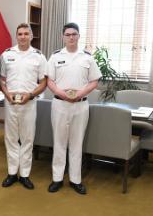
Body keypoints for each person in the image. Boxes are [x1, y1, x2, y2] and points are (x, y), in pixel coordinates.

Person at [47, 22, 102, 195]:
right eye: (68, 34)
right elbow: (49, 80)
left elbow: (94, 81)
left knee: (77, 144)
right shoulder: (55, 56)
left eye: (74, 34)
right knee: (59, 142)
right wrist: (61, 93)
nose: (71, 37)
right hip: (60, 105)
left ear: (79, 36)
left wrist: (80, 93)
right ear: (63, 37)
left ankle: (75, 180)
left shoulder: (87, 57)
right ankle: (57, 178)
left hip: (80, 105)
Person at [0, 23, 47, 190]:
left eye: (26, 33)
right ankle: (12, 173)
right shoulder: (6, 55)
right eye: (20, 34)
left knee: (27, 139)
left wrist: (31, 95)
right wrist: (7, 94)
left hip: (29, 103)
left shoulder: (39, 56)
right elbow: (1, 80)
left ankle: (25, 174)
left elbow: (43, 82)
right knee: (11, 139)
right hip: (10, 103)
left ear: (31, 36)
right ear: (16, 36)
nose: (23, 36)